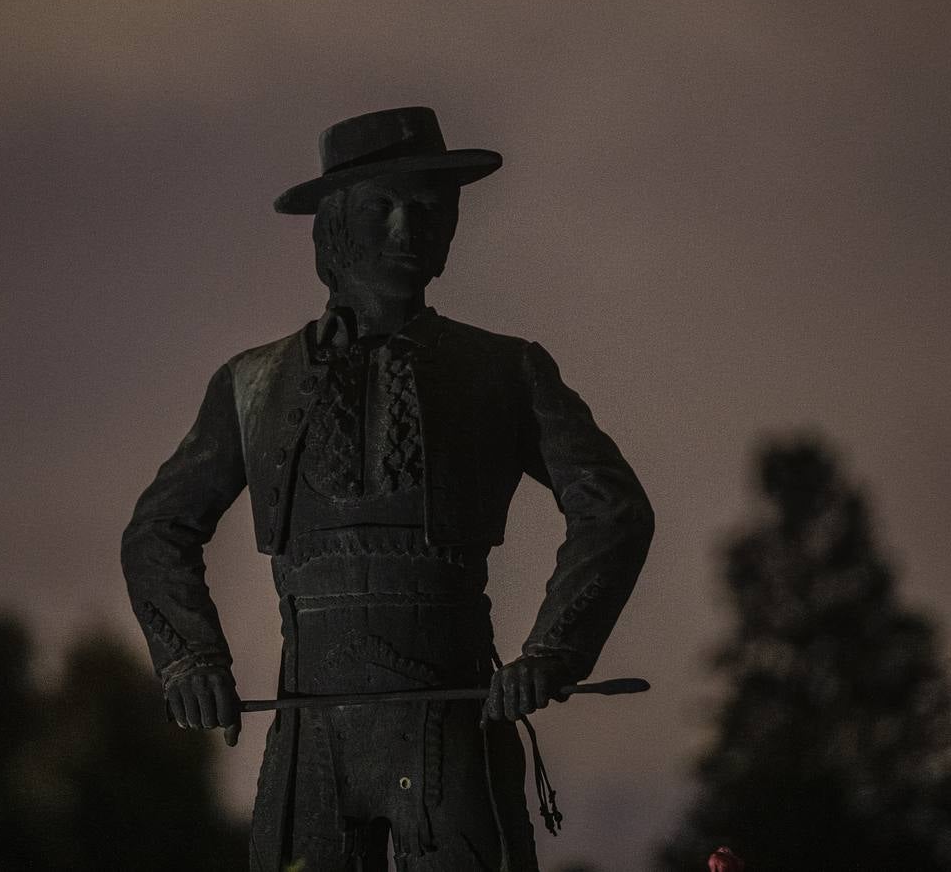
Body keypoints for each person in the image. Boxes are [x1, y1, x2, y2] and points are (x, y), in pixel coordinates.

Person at [121, 106, 653, 871]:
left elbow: (614, 510)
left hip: (456, 729)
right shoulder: (250, 385)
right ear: (334, 225)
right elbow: (157, 531)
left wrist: (552, 653)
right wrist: (191, 661)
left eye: (430, 210)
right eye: (383, 206)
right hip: (310, 738)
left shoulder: (505, 370)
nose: (409, 228)